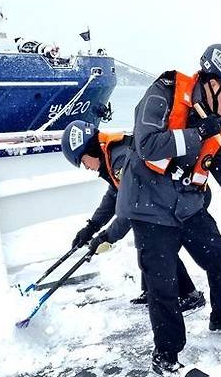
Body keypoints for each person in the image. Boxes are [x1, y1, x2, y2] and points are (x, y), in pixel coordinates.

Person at [116, 44, 221, 377]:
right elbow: (146, 144)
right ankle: (166, 354)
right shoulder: (162, 95)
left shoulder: (216, 124)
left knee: (218, 255)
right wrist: (196, 133)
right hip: (149, 206)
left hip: (188, 205)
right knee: (163, 284)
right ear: (213, 83)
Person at [60, 120, 206, 313]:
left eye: (83, 161)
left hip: (176, 200)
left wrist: (106, 238)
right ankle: (151, 290)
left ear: (90, 149)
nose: (86, 167)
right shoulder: (111, 155)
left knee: (158, 250)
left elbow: (130, 209)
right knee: (146, 243)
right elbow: (115, 194)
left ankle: (190, 294)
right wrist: (92, 226)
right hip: (159, 200)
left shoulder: (120, 159)